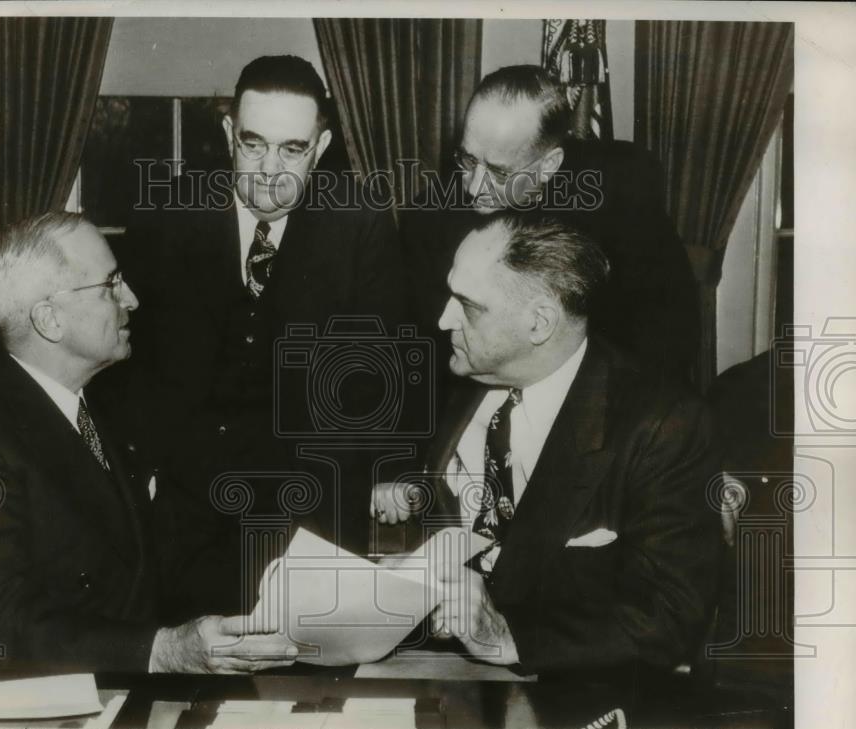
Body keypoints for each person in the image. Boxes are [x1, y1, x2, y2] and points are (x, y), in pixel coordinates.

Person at [0, 212, 297, 675]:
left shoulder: (98, 409)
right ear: (49, 319)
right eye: (110, 285)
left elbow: (148, 568)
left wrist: (287, 592)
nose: (131, 298)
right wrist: (162, 650)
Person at [112, 55, 411, 614]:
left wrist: (387, 469)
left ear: (321, 147)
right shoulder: (169, 212)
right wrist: (138, 470)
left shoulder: (359, 224)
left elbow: (382, 367)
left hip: (310, 501)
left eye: (293, 149)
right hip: (186, 503)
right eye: (253, 144)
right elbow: (125, 353)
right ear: (230, 133)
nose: (269, 169)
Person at [373, 214, 722, 676]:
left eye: (468, 305)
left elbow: (671, 613)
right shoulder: (460, 375)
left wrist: (506, 637)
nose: (443, 320)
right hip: (434, 670)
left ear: (539, 323)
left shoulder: (662, 425)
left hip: (570, 686)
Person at [401, 64, 699, 386]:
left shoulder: (619, 196)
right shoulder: (429, 218)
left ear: (549, 164)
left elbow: (667, 330)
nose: (474, 188)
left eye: (500, 173)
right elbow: (433, 352)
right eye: (468, 160)